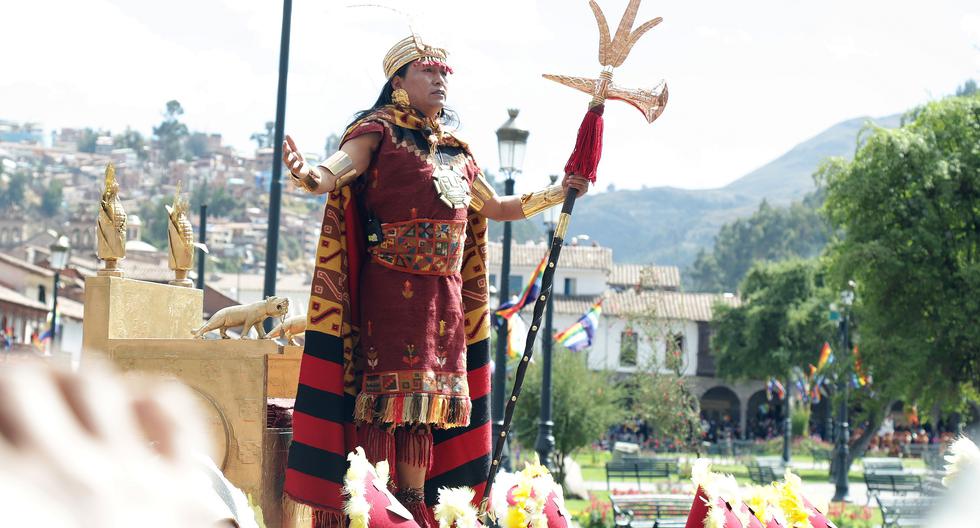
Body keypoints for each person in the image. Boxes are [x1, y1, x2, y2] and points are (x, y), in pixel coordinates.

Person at [281, 33, 589, 527]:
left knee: (427, 407)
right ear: (398, 81)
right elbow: (337, 170)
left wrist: (559, 191)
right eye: (428, 71)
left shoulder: (457, 151)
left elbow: (498, 207)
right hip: (389, 293)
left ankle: (416, 505)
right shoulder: (376, 131)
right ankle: (372, 502)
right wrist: (310, 176)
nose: (440, 80)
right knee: (385, 401)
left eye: (445, 73)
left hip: (444, 299)